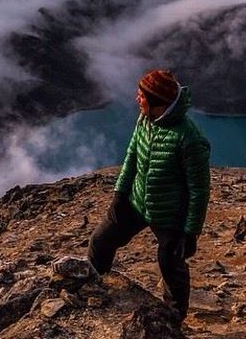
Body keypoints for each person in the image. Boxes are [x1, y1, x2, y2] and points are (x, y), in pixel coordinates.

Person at [87, 69, 211, 322]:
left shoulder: (189, 139)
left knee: (170, 262)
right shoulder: (145, 120)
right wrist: (119, 195)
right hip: (136, 201)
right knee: (100, 241)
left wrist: (190, 231)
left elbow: (199, 190)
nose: (136, 99)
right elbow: (131, 157)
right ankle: (91, 287)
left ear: (157, 102)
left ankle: (173, 319)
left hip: (169, 212)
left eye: (141, 96)